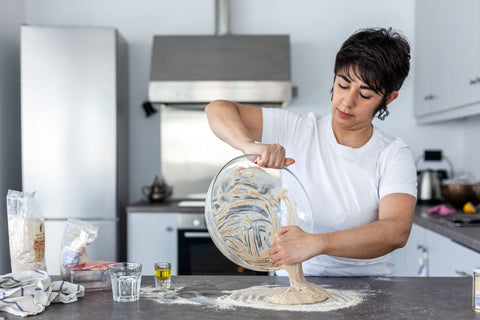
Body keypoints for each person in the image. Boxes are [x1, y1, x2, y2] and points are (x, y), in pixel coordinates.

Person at [204, 27, 417, 277]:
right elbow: (217, 109)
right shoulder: (298, 128)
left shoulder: (393, 155)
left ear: (388, 99)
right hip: (291, 281)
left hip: (367, 286)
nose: (347, 102)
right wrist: (249, 145)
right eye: (342, 84)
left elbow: (395, 232)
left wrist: (318, 243)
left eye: (365, 94)